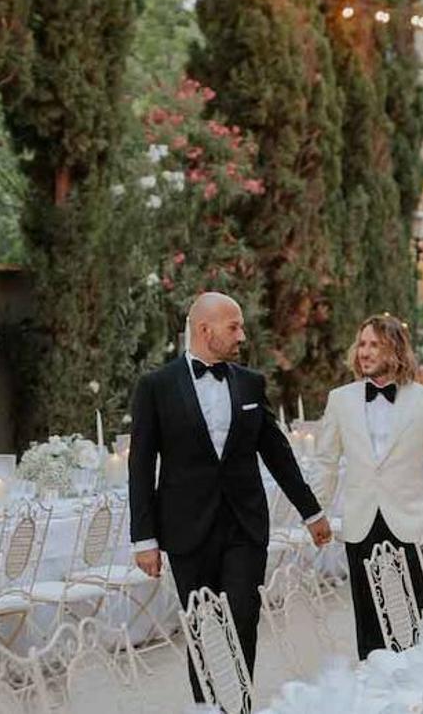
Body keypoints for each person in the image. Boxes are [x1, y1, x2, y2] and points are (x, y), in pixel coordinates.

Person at [128, 292, 331, 704]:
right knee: (202, 625)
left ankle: (238, 705)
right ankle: (206, 707)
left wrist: (311, 511)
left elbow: (277, 452)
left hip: (244, 526)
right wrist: (144, 538)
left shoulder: (250, 382)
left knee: (242, 619)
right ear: (205, 330)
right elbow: (140, 465)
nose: (242, 334)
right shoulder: (156, 386)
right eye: (233, 326)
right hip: (187, 529)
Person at [313, 313, 423, 660]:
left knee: (407, 616)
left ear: (396, 349)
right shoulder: (340, 400)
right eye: (362, 343)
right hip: (361, 523)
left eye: (374, 344)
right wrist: (315, 512)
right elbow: (325, 463)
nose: (365, 352)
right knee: (369, 623)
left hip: (407, 523)